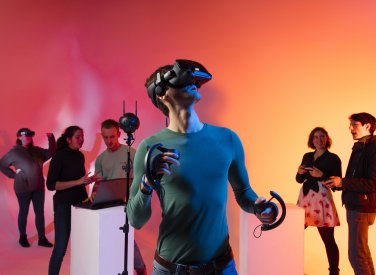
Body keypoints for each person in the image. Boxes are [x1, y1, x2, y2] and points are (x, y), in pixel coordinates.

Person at [126, 59, 275, 275]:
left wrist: (261, 208)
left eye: (193, 80)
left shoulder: (227, 139)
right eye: (179, 79)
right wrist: (147, 184)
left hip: (221, 267)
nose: (192, 82)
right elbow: (136, 219)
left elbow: (244, 194)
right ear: (161, 94)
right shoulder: (150, 148)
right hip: (171, 269)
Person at [324, 112, 376, 275]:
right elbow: (355, 178)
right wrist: (338, 183)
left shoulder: (373, 148)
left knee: (356, 255)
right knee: (362, 254)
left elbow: (373, 183)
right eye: (350, 125)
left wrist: (343, 182)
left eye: (354, 124)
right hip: (355, 205)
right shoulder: (360, 147)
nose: (350, 128)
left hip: (362, 208)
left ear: (367, 126)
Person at [94, 118, 147, 275]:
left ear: (118, 134)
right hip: (108, 207)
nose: (109, 141)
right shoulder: (100, 159)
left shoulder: (131, 153)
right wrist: (94, 195)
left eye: (112, 136)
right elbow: (98, 184)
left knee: (127, 239)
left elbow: (142, 177)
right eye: (105, 137)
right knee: (112, 241)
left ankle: (140, 269)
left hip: (128, 205)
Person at [46, 126, 97, 275]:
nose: (81, 140)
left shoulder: (80, 156)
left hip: (81, 205)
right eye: (77, 137)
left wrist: (88, 181)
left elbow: (79, 181)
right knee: (60, 247)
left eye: (82, 136)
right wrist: (77, 182)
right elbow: (51, 185)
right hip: (63, 206)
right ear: (68, 139)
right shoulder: (59, 156)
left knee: (82, 246)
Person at [296, 127, 341, 275]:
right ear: (312, 140)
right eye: (316, 137)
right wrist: (299, 172)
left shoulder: (334, 158)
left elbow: (337, 186)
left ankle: (334, 272)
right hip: (305, 198)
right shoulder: (307, 156)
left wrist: (322, 175)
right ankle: (292, 266)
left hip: (322, 200)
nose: (319, 140)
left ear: (327, 139)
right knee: (293, 233)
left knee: (328, 240)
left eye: (322, 136)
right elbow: (299, 180)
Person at [0, 127, 55, 248]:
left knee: (39, 213)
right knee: (24, 212)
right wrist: (13, 175)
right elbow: (2, 164)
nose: (28, 137)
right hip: (22, 188)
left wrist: (51, 139)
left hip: (38, 187)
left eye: (30, 135)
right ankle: (22, 237)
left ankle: (42, 238)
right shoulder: (14, 152)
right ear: (19, 137)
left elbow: (51, 153)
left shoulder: (36, 151)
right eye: (25, 135)